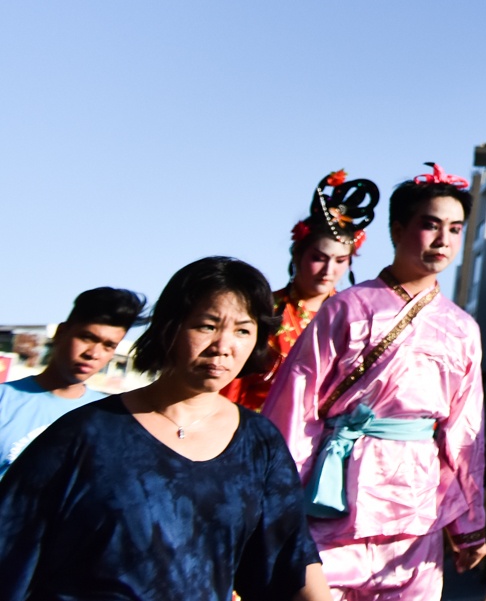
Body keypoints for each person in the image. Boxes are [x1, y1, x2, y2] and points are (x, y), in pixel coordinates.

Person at [0, 257, 326, 600]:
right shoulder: (84, 434)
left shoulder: (260, 444)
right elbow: (11, 543)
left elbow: (291, 561)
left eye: (243, 331)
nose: (223, 347)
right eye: (207, 326)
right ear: (170, 327)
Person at [263, 163, 486, 598]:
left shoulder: (463, 328)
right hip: (334, 493)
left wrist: (469, 522)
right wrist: (277, 503)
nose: (443, 240)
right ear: (398, 229)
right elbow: (296, 409)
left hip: (417, 501)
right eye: (430, 225)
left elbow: (464, 434)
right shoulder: (345, 308)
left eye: (456, 229)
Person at [225, 170, 379, 411]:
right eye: (319, 258)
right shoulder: (261, 308)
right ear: (297, 254)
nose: (328, 270)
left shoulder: (355, 320)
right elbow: (231, 383)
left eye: (340, 260)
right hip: (255, 422)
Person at [0, 285, 144, 475]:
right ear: (61, 333)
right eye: (87, 338)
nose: (93, 354)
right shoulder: (4, 400)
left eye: (108, 346)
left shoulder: (111, 415)